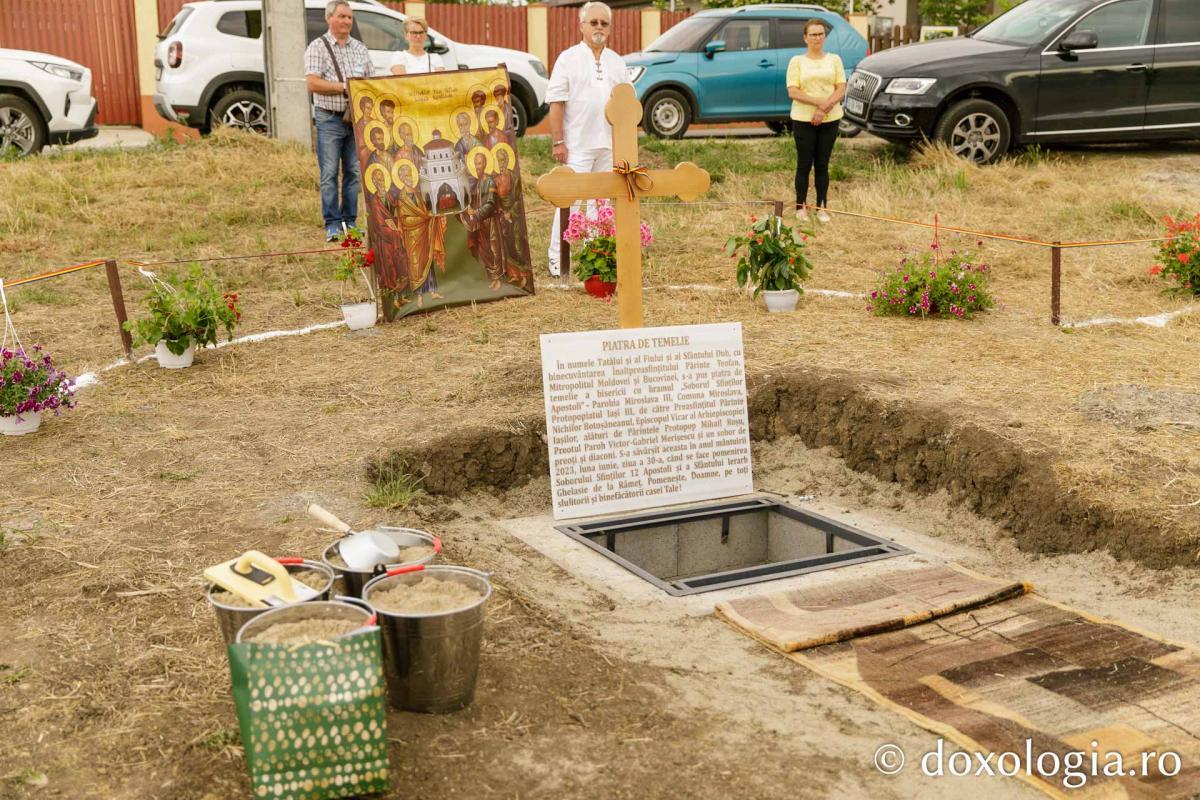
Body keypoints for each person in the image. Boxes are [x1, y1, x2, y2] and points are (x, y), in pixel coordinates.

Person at [544, 1, 630, 277]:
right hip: (577, 146)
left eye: (604, 23)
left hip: (609, 145)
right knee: (569, 202)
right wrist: (558, 142)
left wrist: (625, 145)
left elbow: (627, 104)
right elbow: (556, 103)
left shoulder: (617, 61)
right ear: (581, 26)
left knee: (601, 205)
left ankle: (596, 258)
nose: (599, 28)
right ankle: (558, 260)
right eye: (593, 22)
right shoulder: (568, 58)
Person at [305, 0, 375, 241]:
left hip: (355, 120)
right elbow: (312, 83)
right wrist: (343, 87)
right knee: (329, 172)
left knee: (354, 172)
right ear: (329, 18)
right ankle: (332, 223)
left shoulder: (360, 49)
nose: (347, 21)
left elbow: (370, 81)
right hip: (329, 118)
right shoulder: (317, 47)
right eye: (342, 16)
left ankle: (350, 222)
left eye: (349, 17)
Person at [785, 18, 846, 225]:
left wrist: (825, 107)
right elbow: (793, 90)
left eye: (820, 34)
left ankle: (822, 206)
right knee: (804, 164)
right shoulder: (797, 61)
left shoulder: (834, 59)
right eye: (813, 34)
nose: (817, 37)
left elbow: (841, 87)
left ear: (824, 36)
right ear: (805, 37)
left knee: (822, 165)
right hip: (803, 119)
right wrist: (819, 103)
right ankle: (801, 206)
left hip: (830, 119)